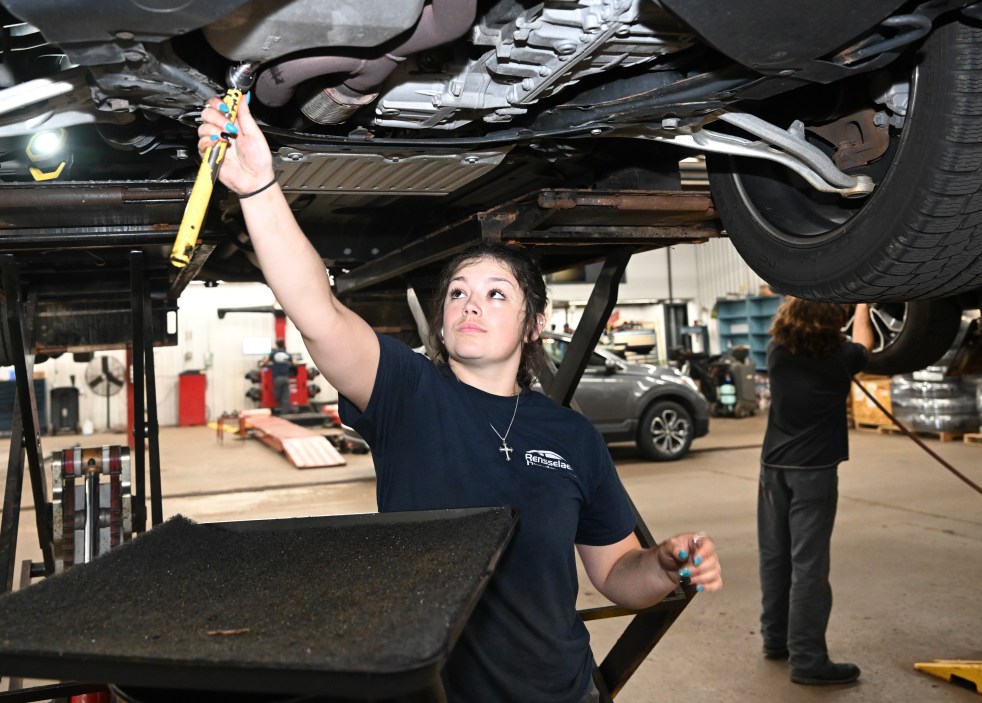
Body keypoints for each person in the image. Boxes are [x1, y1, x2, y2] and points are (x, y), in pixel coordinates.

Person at [197, 95, 723, 702]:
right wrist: (259, 187)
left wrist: (661, 566)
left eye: (498, 294)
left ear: (534, 325)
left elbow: (614, 574)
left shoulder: (570, 435)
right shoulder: (405, 394)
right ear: (442, 319)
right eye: (458, 293)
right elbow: (318, 312)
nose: (472, 303)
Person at [758, 298, 874, 686]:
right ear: (833, 318)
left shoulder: (776, 350)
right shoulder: (841, 357)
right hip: (814, 473)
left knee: (775, 557)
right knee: (809, 565)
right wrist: (861, 308)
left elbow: (795, 326)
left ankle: (776, 640)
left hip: (773, 468)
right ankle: (808, 659)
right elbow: (865, 347)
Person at [260, 338, 293, 414]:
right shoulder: (287, 354)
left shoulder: (273, 354)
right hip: (286, 377)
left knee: (277, 394)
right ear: (283, 345)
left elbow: (266, 361)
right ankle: (284, 412)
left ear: (277, 345)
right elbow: (294, 362)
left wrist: (262, 364)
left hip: (277, 378)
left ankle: (282, 410)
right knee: (286, 396)